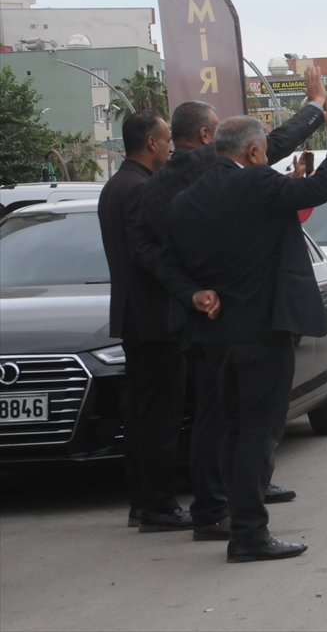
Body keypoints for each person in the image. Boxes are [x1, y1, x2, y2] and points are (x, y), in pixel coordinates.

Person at [129, 66, 327, 541]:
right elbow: (270, 145)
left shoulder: (155, 188)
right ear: (208, 137)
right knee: (243, 422)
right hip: (242, 319)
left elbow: (149, 252)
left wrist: (192, 292)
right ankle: (231, 509)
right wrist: (317, 107)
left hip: (197, 317)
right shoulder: (215, 166)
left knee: (217, 419)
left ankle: (222, 504)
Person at [156, 99, 327, 563]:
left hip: (213, 335)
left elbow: (166, 261)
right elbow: (324, 186)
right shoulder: (258, 183)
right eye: (264, 152)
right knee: (259, 434)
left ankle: (236, 521)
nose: (265, 160)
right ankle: (249, 534)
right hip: (262, 332)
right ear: (250, 153)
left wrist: (194, 294)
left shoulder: (187, 199)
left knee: (232, 431)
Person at [97, 110, 189, 532]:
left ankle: (143, 501)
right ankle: (157, 504)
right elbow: (143, 252)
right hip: (153, 318)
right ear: (151, 143)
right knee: (159, 415)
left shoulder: (117, 184)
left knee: (141, 413)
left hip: (136, 315)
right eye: (167, 138)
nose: (171, 145)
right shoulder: (138, 188)